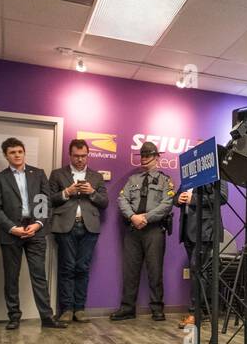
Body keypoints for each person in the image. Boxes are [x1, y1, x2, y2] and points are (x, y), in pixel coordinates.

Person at [0, 137, 63, 330]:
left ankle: (47, 317)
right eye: (12, 152)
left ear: (24, 153)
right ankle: (14, 317)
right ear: (6, 155)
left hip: (35, 231)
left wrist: (38, 223)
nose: (17, 155)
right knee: (11, 277)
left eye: (19, 151)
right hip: (10, 232)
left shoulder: (38, 174)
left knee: (39, 275)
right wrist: (11, 228)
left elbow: (44, 201)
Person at [111, 141, 174, 322]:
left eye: (149, 156)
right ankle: (127, 308)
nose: (145, 159)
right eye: (143, 156)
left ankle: (157, 309)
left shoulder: (165, 180)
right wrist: (133, 217)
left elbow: (167, 204)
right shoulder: (133, 180)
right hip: (133, 229)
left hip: (154, 230)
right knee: (130, 271)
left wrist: (146, 218)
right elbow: (122, 199)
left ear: (157, 157)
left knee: (155, 271)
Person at [48, 139, 108, 323]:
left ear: (88, 155)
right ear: (70, 155)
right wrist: (67, 192)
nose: (80, 159)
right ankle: (66, 309)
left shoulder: (96, 177)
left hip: (89, 227)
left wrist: (91, 192)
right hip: (65, 226)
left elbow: (105, 202)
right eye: (76, 156)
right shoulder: (57, 174)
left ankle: (80, 309)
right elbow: (48, 199)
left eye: (83, 156)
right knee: (67, 268)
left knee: (83, 268)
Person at [176, 178, 227, 327]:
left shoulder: (217, 174)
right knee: (199, 272)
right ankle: (203, 310)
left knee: (197, 270)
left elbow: (222, 197)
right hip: (187, 230)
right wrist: (178, 199)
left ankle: (195, 313)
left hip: (205, 229)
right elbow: (177, 197)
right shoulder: (188, 177)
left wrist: (194, 199)